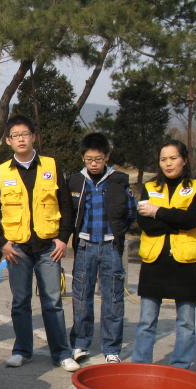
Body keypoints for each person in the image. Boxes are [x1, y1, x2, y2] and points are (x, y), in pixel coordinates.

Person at [0, 115, 78, 372]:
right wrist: (2, 243)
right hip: (17, 248)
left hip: (49, 246)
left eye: (25, 134)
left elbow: (65, 205)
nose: (21, 139)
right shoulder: (3, 171)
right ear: (8, 141)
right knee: (20, 301)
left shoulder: (50, 165)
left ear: (33, 136)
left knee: (53, 301)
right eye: (15, 135)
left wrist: (63, 238)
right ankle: (22, 350)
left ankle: (61, 353)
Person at [132, 139, 196, 369]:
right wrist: (175, 220)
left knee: (185, 322)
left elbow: (193, 220)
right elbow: (146, 224)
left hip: (185, 264)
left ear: (184, 160)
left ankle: (180, 367)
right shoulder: (150, 187)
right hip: (155, 262)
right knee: (146, 321)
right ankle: (141, 365)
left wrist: (158, 211)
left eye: (173, 158)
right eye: (163, 159)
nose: (168, 163)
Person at [67, 133, 137, 364]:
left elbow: (130, 212)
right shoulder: (75, 181)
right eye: (89, 159)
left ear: (107, 156)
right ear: (83, 158)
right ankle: (80, 343)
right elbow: (69, 213)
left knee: (113, 299)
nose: (94, 164)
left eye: (98, 159)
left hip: (111, 247)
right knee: (81, 297)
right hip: (85, 246)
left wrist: (117, 234)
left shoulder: (119, 180)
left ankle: (111, 348)